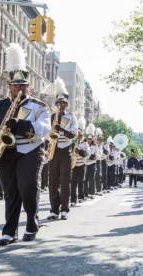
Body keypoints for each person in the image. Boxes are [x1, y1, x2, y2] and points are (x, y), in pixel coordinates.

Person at [0, 43, 51, 245]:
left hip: (30, 150)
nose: (18, 89)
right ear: (9, 86)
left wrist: (21, 125)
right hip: (5, 152)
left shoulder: (39, 106)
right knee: (10, 192)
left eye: (23, 85)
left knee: (28, 186)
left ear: (29, 86)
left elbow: (45, 130)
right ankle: (9, 231)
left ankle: (31, 221)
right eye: (15, 85)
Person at [47, 78, 78, 220]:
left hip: (66, 150)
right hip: (53, 150)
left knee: (65, 181)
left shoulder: (72, 117)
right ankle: (54, 209)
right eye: (58, 103)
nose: (60, 106)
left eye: (63, 104)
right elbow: (46, 133)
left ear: (66, 105)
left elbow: (73, 134)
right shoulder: (51, 116)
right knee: (52, 181)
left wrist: (62, 129)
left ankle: (65, 209)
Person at [71, 118, 89, 205]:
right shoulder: (73, 142)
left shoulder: (85, 143)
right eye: (77, 133)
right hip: (73, 165)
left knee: (81, 182)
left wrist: (80, 151)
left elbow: (87, 154)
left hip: (82, 165)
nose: (78, 135)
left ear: (81, 134)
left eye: (79, 133)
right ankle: (73, 200)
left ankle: (81, 197)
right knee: (73, 183)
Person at [84, 123, 97, 199]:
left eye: (90, 139)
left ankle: (92, 193)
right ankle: (85, 194)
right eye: (88, 139)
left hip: (92, 163)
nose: (89, 140)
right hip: (85, 163)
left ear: (92, 138)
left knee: (91, 179)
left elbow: (97, 155)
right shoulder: (84, 144)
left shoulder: (95, 146)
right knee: (85, 179)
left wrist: (94, 157)